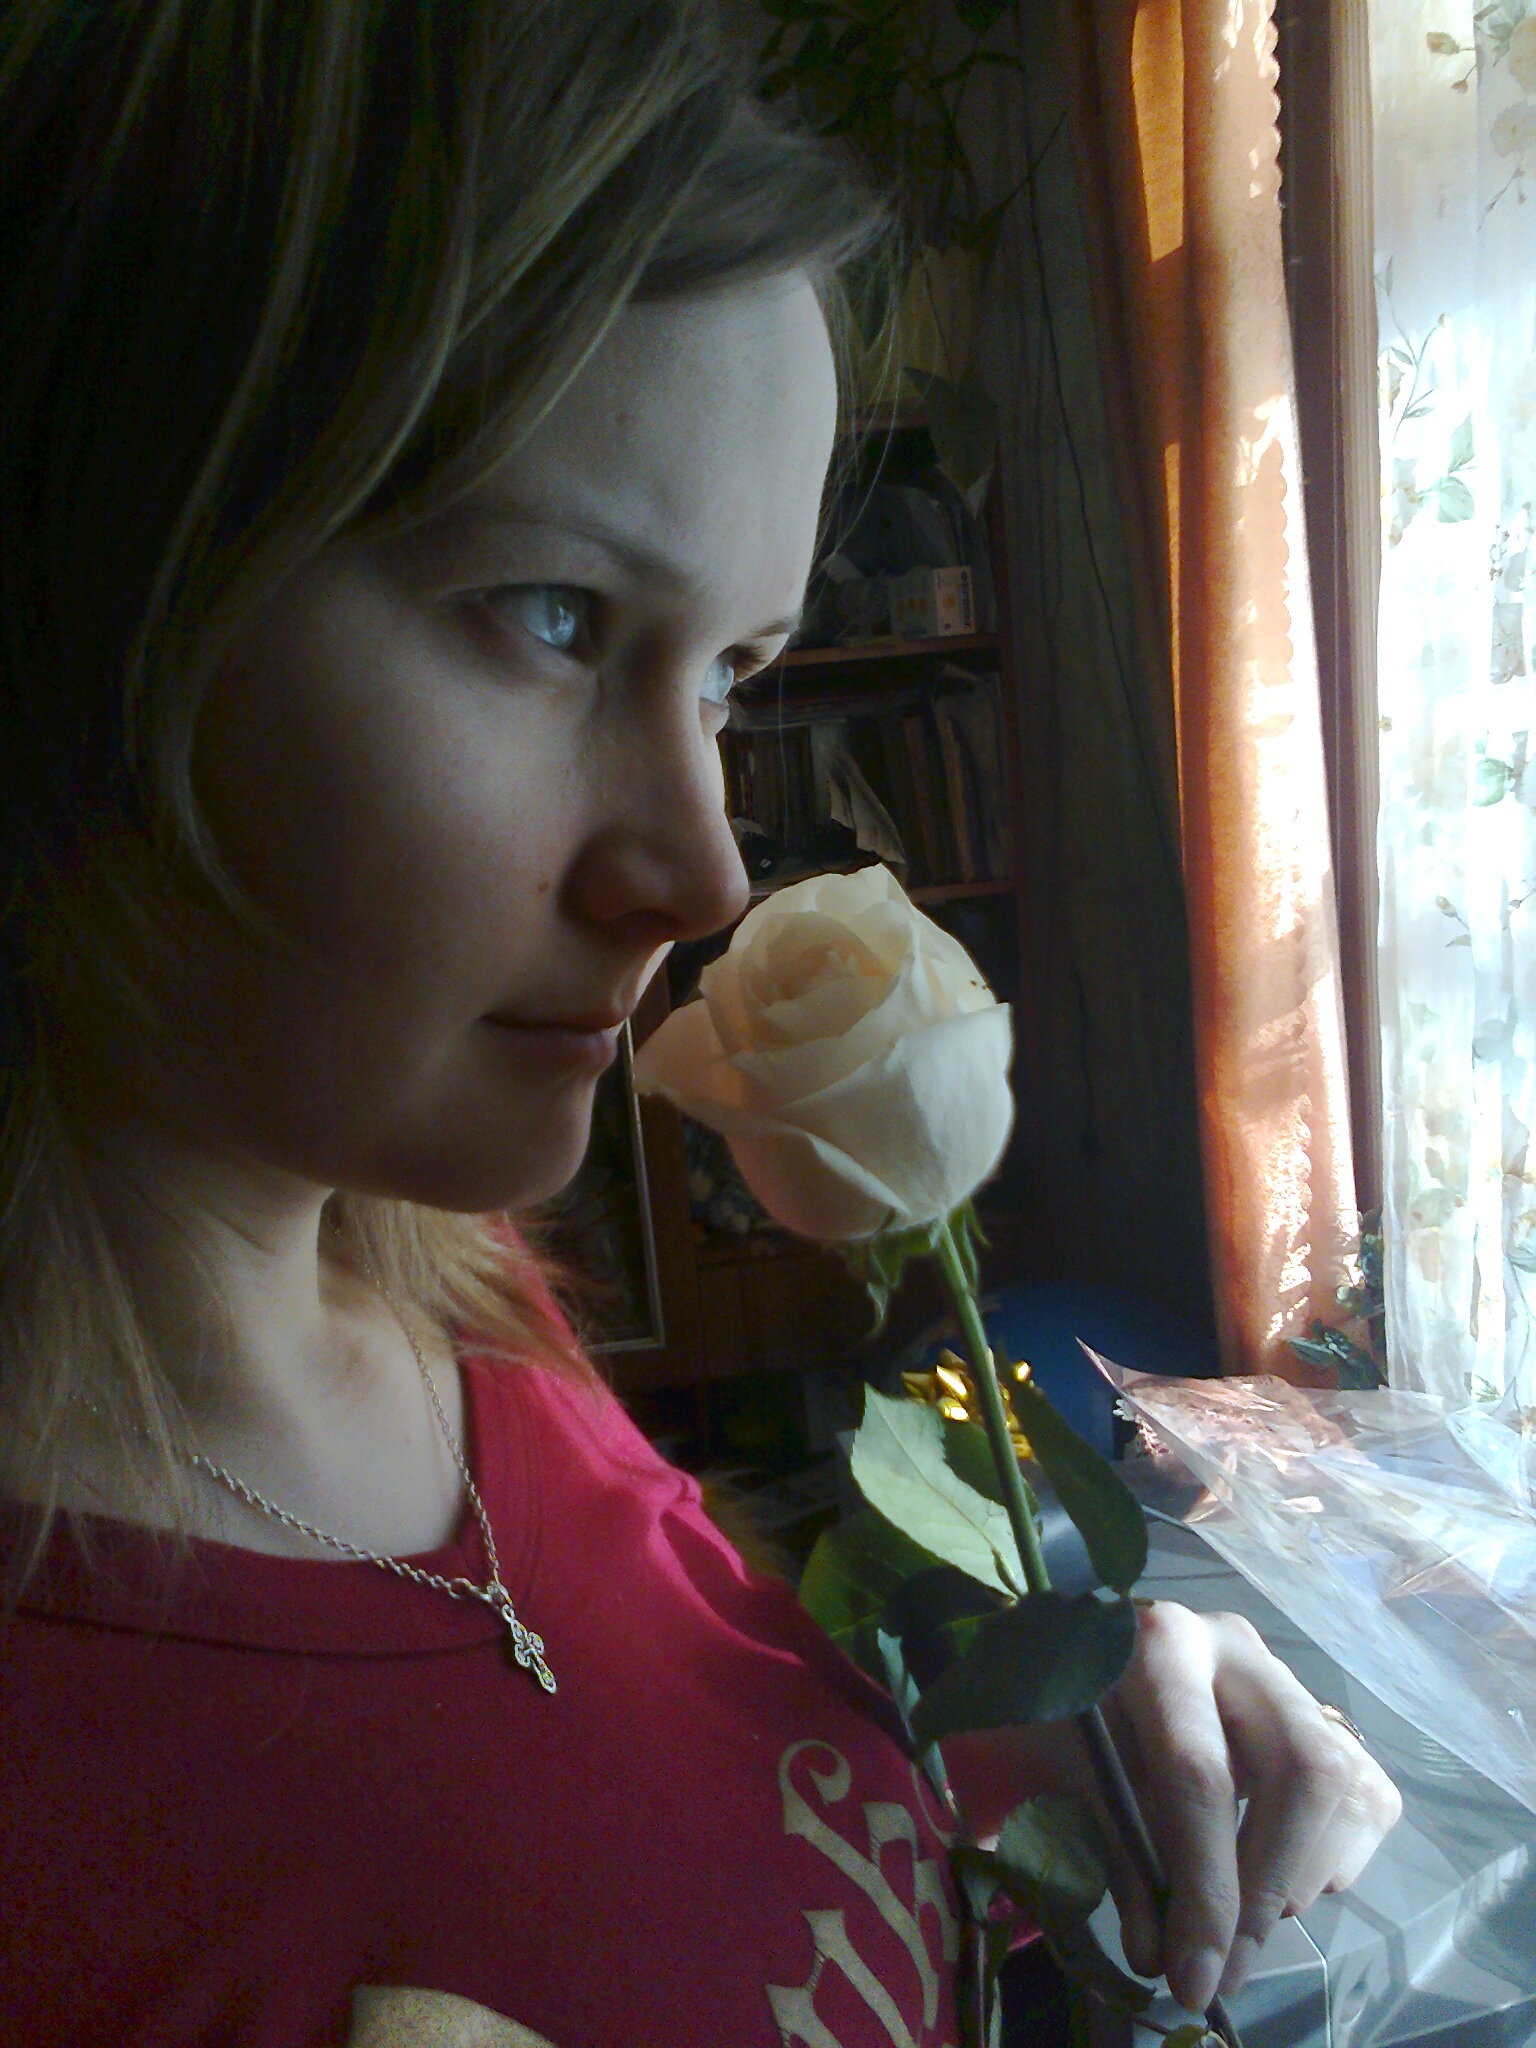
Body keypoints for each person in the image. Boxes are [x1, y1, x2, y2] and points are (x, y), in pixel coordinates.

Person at [0, 4, 1400, 2043]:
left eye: (732, 671)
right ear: (81, 578)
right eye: (552, 615)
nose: (706, 874)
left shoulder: (451, 1282)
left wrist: (1016, 1747)